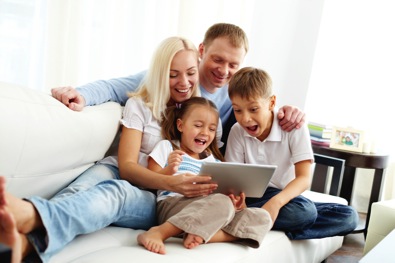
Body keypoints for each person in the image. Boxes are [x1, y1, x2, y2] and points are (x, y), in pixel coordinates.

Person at [0, 36, 219, 262]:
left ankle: (29, 214)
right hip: (123, 170)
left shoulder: (199, 114)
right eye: (173, 75)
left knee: (115, 194)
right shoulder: (141, 104)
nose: (184, 82)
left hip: (155, 196)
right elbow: (126, 167)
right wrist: (80, 94)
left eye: (191, 73)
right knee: (77, 192)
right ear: (160, 74)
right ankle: (23, 243)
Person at [51, 23, 306, 150]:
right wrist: (80, 94)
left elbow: (260, 111)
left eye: (233, 65)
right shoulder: (174, 78)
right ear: (202, 50)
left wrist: (286, 112)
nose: (224, 71)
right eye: (217, 60)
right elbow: (114, 87)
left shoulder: (235, 95)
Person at [225, 67, 358, 240]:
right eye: (237, 110)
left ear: (272, 103)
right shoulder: (237, 131)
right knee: (305, 213)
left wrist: (275, 204)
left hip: (284, 197)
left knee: (349, 217)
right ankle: (257, 219)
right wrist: (239, 203)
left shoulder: (293, 128)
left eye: (253, 109)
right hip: (252, 197)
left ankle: (255, 222)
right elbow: (234, 180)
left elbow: (303, 178)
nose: (245, 119)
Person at [137, 97, 272, 254]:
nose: (204, 133)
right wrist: (170, 170)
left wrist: (238, 204)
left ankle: (197, 232)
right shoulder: (168, 147)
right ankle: (160, 232)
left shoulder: (214, 161)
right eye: (198, 126)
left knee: (263, 217)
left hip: (209, 208)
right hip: (174, 203)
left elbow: (222, 198)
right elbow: (152, 179)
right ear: (181, 125)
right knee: (221, 203)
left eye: (211, 129)